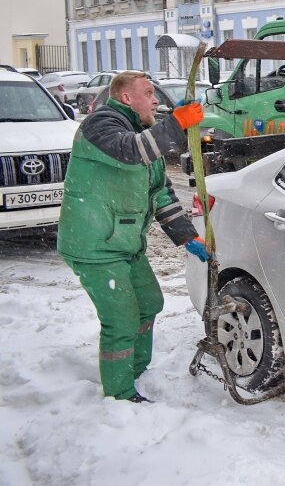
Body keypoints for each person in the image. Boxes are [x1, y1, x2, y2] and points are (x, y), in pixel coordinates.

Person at [57, 70, 208, 403]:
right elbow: (131, 150)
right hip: (94, 244)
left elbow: (160, 192)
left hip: (124, 243)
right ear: (127, 97)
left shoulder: (139, 131)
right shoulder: (100, 126)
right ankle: (120, 396)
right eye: (149, 93)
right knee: (121, 319)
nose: (156, 100)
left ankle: (137, 370)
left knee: (150, 303)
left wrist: (187, 237)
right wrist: (175, 125)